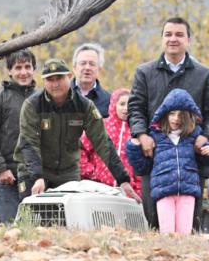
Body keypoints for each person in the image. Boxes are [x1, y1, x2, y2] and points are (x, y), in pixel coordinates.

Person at [128, 17, 209, 229]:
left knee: (189, 221)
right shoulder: (145, 72)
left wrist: (206, 137)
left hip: (190, 158)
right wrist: (141, 134)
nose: (173, 39)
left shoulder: (204, 75)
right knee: (153, 216)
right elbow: (135, 108)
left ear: (188, 40)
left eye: (179, 35)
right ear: (162, 39)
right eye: (168, 34)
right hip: (155, 154)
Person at [14, 58, 140, 201]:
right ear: (44, 81)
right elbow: (28, 143)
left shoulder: (84, 105)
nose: (55, 84)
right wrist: (37, 177)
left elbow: (102, 142)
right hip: (34, 170)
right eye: (50, 79)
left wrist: (122, 178)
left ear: (69, 77)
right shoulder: (32, 105)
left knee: (68, 219)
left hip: (68, 172)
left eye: (59, 78)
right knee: (32, 217)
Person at [126, 89, 209, 235]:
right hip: (163, 192)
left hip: (188, 192)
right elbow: (143, 167)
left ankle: (183, 256)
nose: (176, 118)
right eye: (172, 113)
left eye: (181, 115)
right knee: (167, 231)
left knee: (184, 232)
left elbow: (208, 160)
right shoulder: (155, 137)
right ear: (164, 113)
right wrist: (134, 148)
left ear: (188, 116)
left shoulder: (194, 136)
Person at [0, 50, 38, 223]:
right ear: (10, 71)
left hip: (38, 179)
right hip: (9, 178)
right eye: (18, 67)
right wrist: (0, 169)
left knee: (41, 233)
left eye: (27, 67)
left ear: (34, 69)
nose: (23, 72)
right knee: (10, 233)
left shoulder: (42, 98)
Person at [80, 87, 142, 196]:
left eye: (130, 104)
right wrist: (91, 173)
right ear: (114, 104)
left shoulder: (137, 132)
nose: (126, 108)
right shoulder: (101, 126)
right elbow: (81, 149)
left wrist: (137, 189)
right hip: (98, 190)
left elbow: (140, 166)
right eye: (122, 104)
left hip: (126, 193)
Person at [70, 43, 111, 117]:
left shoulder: (109, 101)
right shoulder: (58, 96)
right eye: (83, 63)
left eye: (92, 64)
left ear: (99, 69)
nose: (87, 68)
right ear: (74, 68)